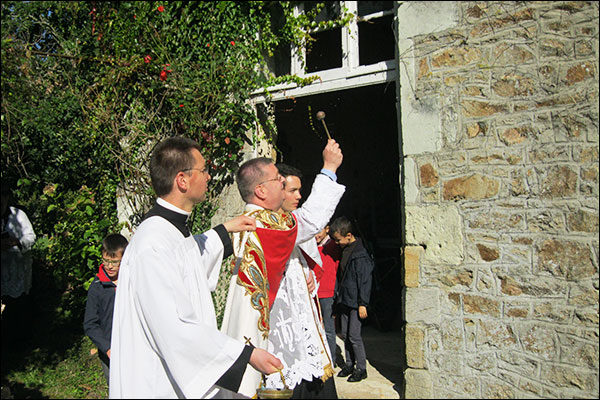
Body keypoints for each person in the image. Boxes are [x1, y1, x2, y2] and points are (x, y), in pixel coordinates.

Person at [109, 136, 282, 399]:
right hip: (157, 384)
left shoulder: (172, 231)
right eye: (203, 170)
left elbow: (191, 263)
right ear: (182, 180)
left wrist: (225, 231)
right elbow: (174, 326)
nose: (209, 176)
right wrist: (246, 354)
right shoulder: (152, 243)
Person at [221, 139, 345, 398]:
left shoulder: (269, 221)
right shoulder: (263, 225)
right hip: (280, 343)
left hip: (299, 332)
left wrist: (307, 272)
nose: (283, 183)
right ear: (261, 191)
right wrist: (329, 169)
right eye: (277, 179)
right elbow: (310, 219)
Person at [329, 216, 374, 383]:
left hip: (356, 302)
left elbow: (364, 281)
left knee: (355, 335)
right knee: (346, 334)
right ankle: (349, 363)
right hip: (345, 299)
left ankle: (361, 368)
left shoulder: (360, 255)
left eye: (338, 240)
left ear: (348, 236)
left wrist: (363, 303)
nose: (337, 243)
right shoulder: (345, 249)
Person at [83, 233, 129, 384]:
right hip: (109, 350)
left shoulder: (131, 282)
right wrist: (107, 348)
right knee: (115, 384)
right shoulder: (97, 287)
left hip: (132, 345)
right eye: (106, 261)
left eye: (115, 262)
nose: (109, 266)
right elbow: (90, 324)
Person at [1, 186, 36, 300]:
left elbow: (31, 237)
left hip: (17, 273)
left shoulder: (19, 215)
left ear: (6, 198)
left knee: (18, 304)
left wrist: (18, 242)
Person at [314, 225, 341, 368]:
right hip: (314, 292)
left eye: (319, 231)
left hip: (328, 292)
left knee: (329, 329)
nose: (316, 235)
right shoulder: (310, 245)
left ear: (327, 229)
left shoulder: (333, 247)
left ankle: (331, 359)